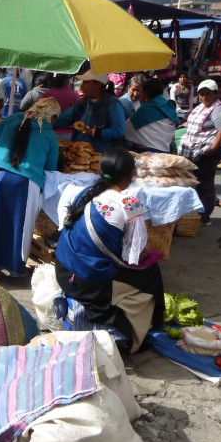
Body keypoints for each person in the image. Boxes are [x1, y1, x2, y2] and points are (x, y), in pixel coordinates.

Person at [55, 147, 164, 353]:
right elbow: (133, 255)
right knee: (151, 273)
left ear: (100, 171)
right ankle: (137, 329)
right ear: (132, 174)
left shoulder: (84, 194)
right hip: (89, 283)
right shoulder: (129, 203)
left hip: (64, 271)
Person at [0, 97, 60, 277]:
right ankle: (15, 268)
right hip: (26, 183)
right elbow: (50, 168)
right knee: (19, 226)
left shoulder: (12, 119)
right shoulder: (50, 135)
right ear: (51, 116)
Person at [179, 79, 221, 225]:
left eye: (207, 93)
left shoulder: (219, 108)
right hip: (193, 153)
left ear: (215, 93)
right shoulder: (201, 107)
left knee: (204, 185)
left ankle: (205, 217)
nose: (204, 97)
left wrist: (212, 149)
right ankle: (195, 214)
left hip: (206, 154)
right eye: (201, 94)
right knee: (194, 184)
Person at [55, 70, 126, 152]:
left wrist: (95, 132)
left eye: (86, 82)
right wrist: (49, 120)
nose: (82, 86)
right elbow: (65, 118)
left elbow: (118, 130)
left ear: (98, 84)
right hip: (78, 151)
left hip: (100, 154)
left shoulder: (112, 104)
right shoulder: (82, 102)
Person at [125, 78, 178, 153]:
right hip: (166, 152)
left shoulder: (145, 109)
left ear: (146, 93)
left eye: (141, 91)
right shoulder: (169, 106)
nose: (139, 94)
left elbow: (126, 129)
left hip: (146, 153)